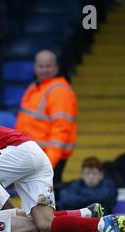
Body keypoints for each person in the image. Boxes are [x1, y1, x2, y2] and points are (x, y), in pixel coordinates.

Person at [15, 50, 78, 187]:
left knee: (46, 200)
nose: (44, 70)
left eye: (48, 66)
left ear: (56, 67)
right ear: (35, 67)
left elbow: (61, 130)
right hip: (34, 155)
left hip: (47, 157)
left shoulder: (59, 91)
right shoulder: (36, 87)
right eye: (41, 66)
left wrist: (49, 162)